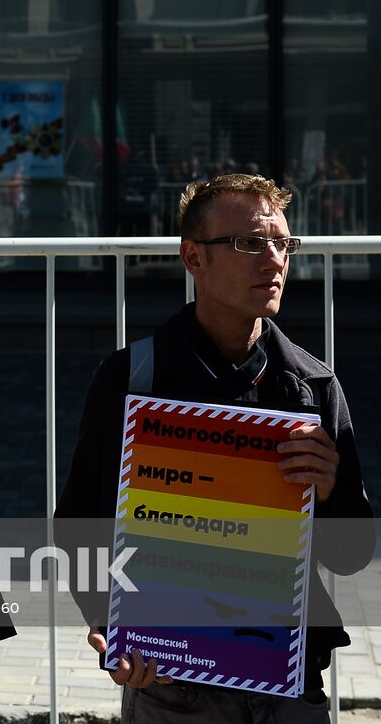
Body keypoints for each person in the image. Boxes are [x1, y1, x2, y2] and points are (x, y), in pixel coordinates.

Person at [55, 174, 373, 723]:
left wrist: (331, 489)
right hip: (172, 686)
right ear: (193, 258)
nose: (273, 261)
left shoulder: (314, 388)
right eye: (249, 242)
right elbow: (78, 525)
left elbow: (351, 555)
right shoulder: (132, 379)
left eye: (283, 243)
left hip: (290, 685)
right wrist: (111, 626)